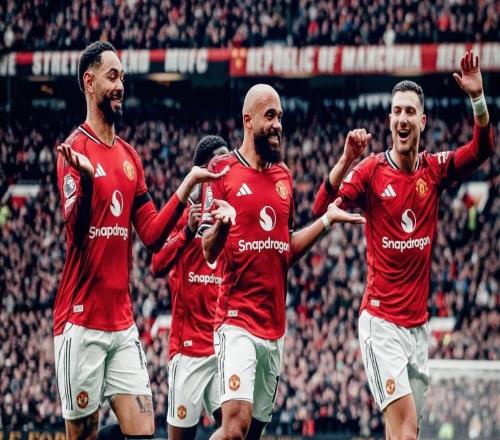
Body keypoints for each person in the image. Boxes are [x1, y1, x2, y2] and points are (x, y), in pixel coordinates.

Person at [312, 51, 494, 440]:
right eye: (396, 111)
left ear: (422, 121)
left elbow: (481, 150)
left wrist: (478, 99)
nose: (402, 118)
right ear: (389, 120)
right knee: (408, 431)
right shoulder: (371, 171)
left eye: (410, 111)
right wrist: (344, 161)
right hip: (381, 324)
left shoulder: (434, 169)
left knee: (402, 433)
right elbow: (320, 208)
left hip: (418, 330)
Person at [54, 41, 227, 440]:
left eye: (123, 78)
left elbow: (150, 235)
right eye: (112, 76)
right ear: (89, 82)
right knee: (83, 433)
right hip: (80, 319)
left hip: (122, 321)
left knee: (144, 430)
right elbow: (77, 235)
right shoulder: (74, 150)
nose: (120, 86)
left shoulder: (130, 157)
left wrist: (187, 185)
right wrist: (86, 181)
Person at [198, 83, 367, 440]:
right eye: (270, 116)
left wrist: (326, 221)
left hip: (274, 329)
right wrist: (222, 225)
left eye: (280, 117)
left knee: (252, 434)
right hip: (236, 320)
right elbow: (208, 251)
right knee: (234, 429)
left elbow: (283, 250)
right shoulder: (221, 170)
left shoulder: (284, 177)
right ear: (248, 120)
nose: (278, 124)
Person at [150, 135, 229, 439]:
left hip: (221, 346)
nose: (226, 167)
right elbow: (157, 264)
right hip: (188, 350)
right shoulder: (183, 213)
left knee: (237, 430)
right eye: (219, 161)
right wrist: (187, 231)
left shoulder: (228, 213)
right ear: (203, 168)